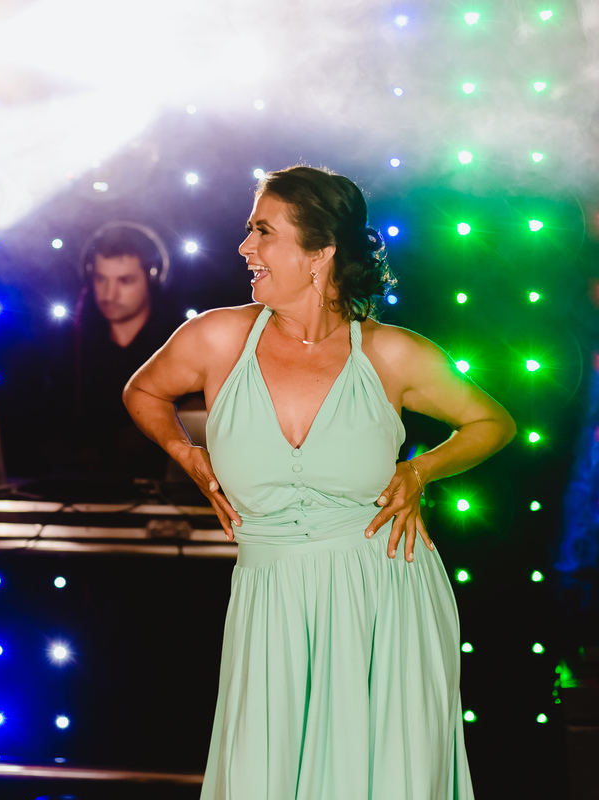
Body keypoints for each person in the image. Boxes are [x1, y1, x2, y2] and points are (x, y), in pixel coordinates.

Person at [123, 165, 514, 799]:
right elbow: (143, 391)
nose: (245, 248)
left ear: (320, 253)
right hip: (271, 599)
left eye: (263, 232)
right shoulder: (218, 338)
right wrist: (184, 452)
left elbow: (492, 421)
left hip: (385, 600)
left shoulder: (390, 353)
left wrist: (420, 469)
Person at [43, 222, 180, 481]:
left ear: (151, 279)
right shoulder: (73, 346)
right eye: (101, 279)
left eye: (125, 281)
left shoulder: (178, 344)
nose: (109, 294)